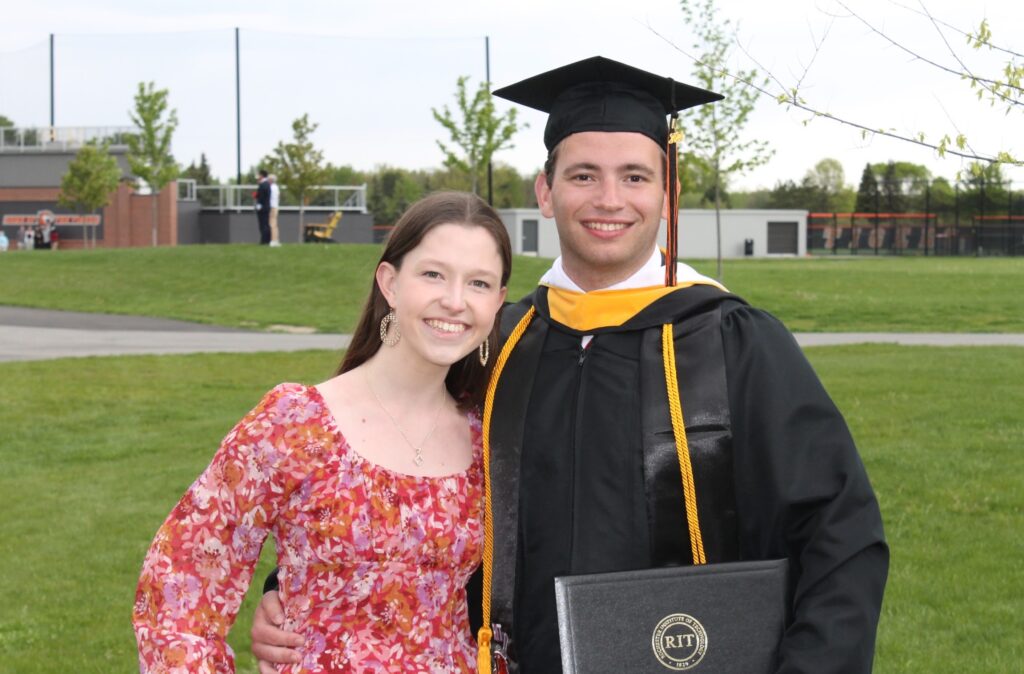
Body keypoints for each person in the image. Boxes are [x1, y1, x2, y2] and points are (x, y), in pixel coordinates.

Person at [253, 56, 888, 674]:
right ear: (546, 192)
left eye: (635, 177)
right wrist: (295, 586)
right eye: (584, 175)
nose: (609, 199)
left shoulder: (732, 342)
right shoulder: (496, 343)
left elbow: (839, 533)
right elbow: (393, 469)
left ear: (668, 195)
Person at [133, 191, 511, 673]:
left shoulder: (490, 438)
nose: (455, 301)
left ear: (498, 302)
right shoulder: (295, 423)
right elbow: (179, 583)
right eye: (433, 274)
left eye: (478, 283)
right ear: (390, 283)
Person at [255, 169, 272, 245]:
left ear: (261, 175)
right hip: (266, 207)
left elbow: (262, 196)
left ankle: (264, 240)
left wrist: (259, 205)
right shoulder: (266, 184)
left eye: (259, 175)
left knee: (263, 224)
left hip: (263, 207)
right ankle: (266, 240)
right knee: (265, 224)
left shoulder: (264, 184)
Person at [268, 174, 282, 247]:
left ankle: (273, 240)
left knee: (272, 224)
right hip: (276, 206)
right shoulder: (276, 187)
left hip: (272, 207)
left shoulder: (271, 187)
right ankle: (276, 240)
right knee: (275, 224)